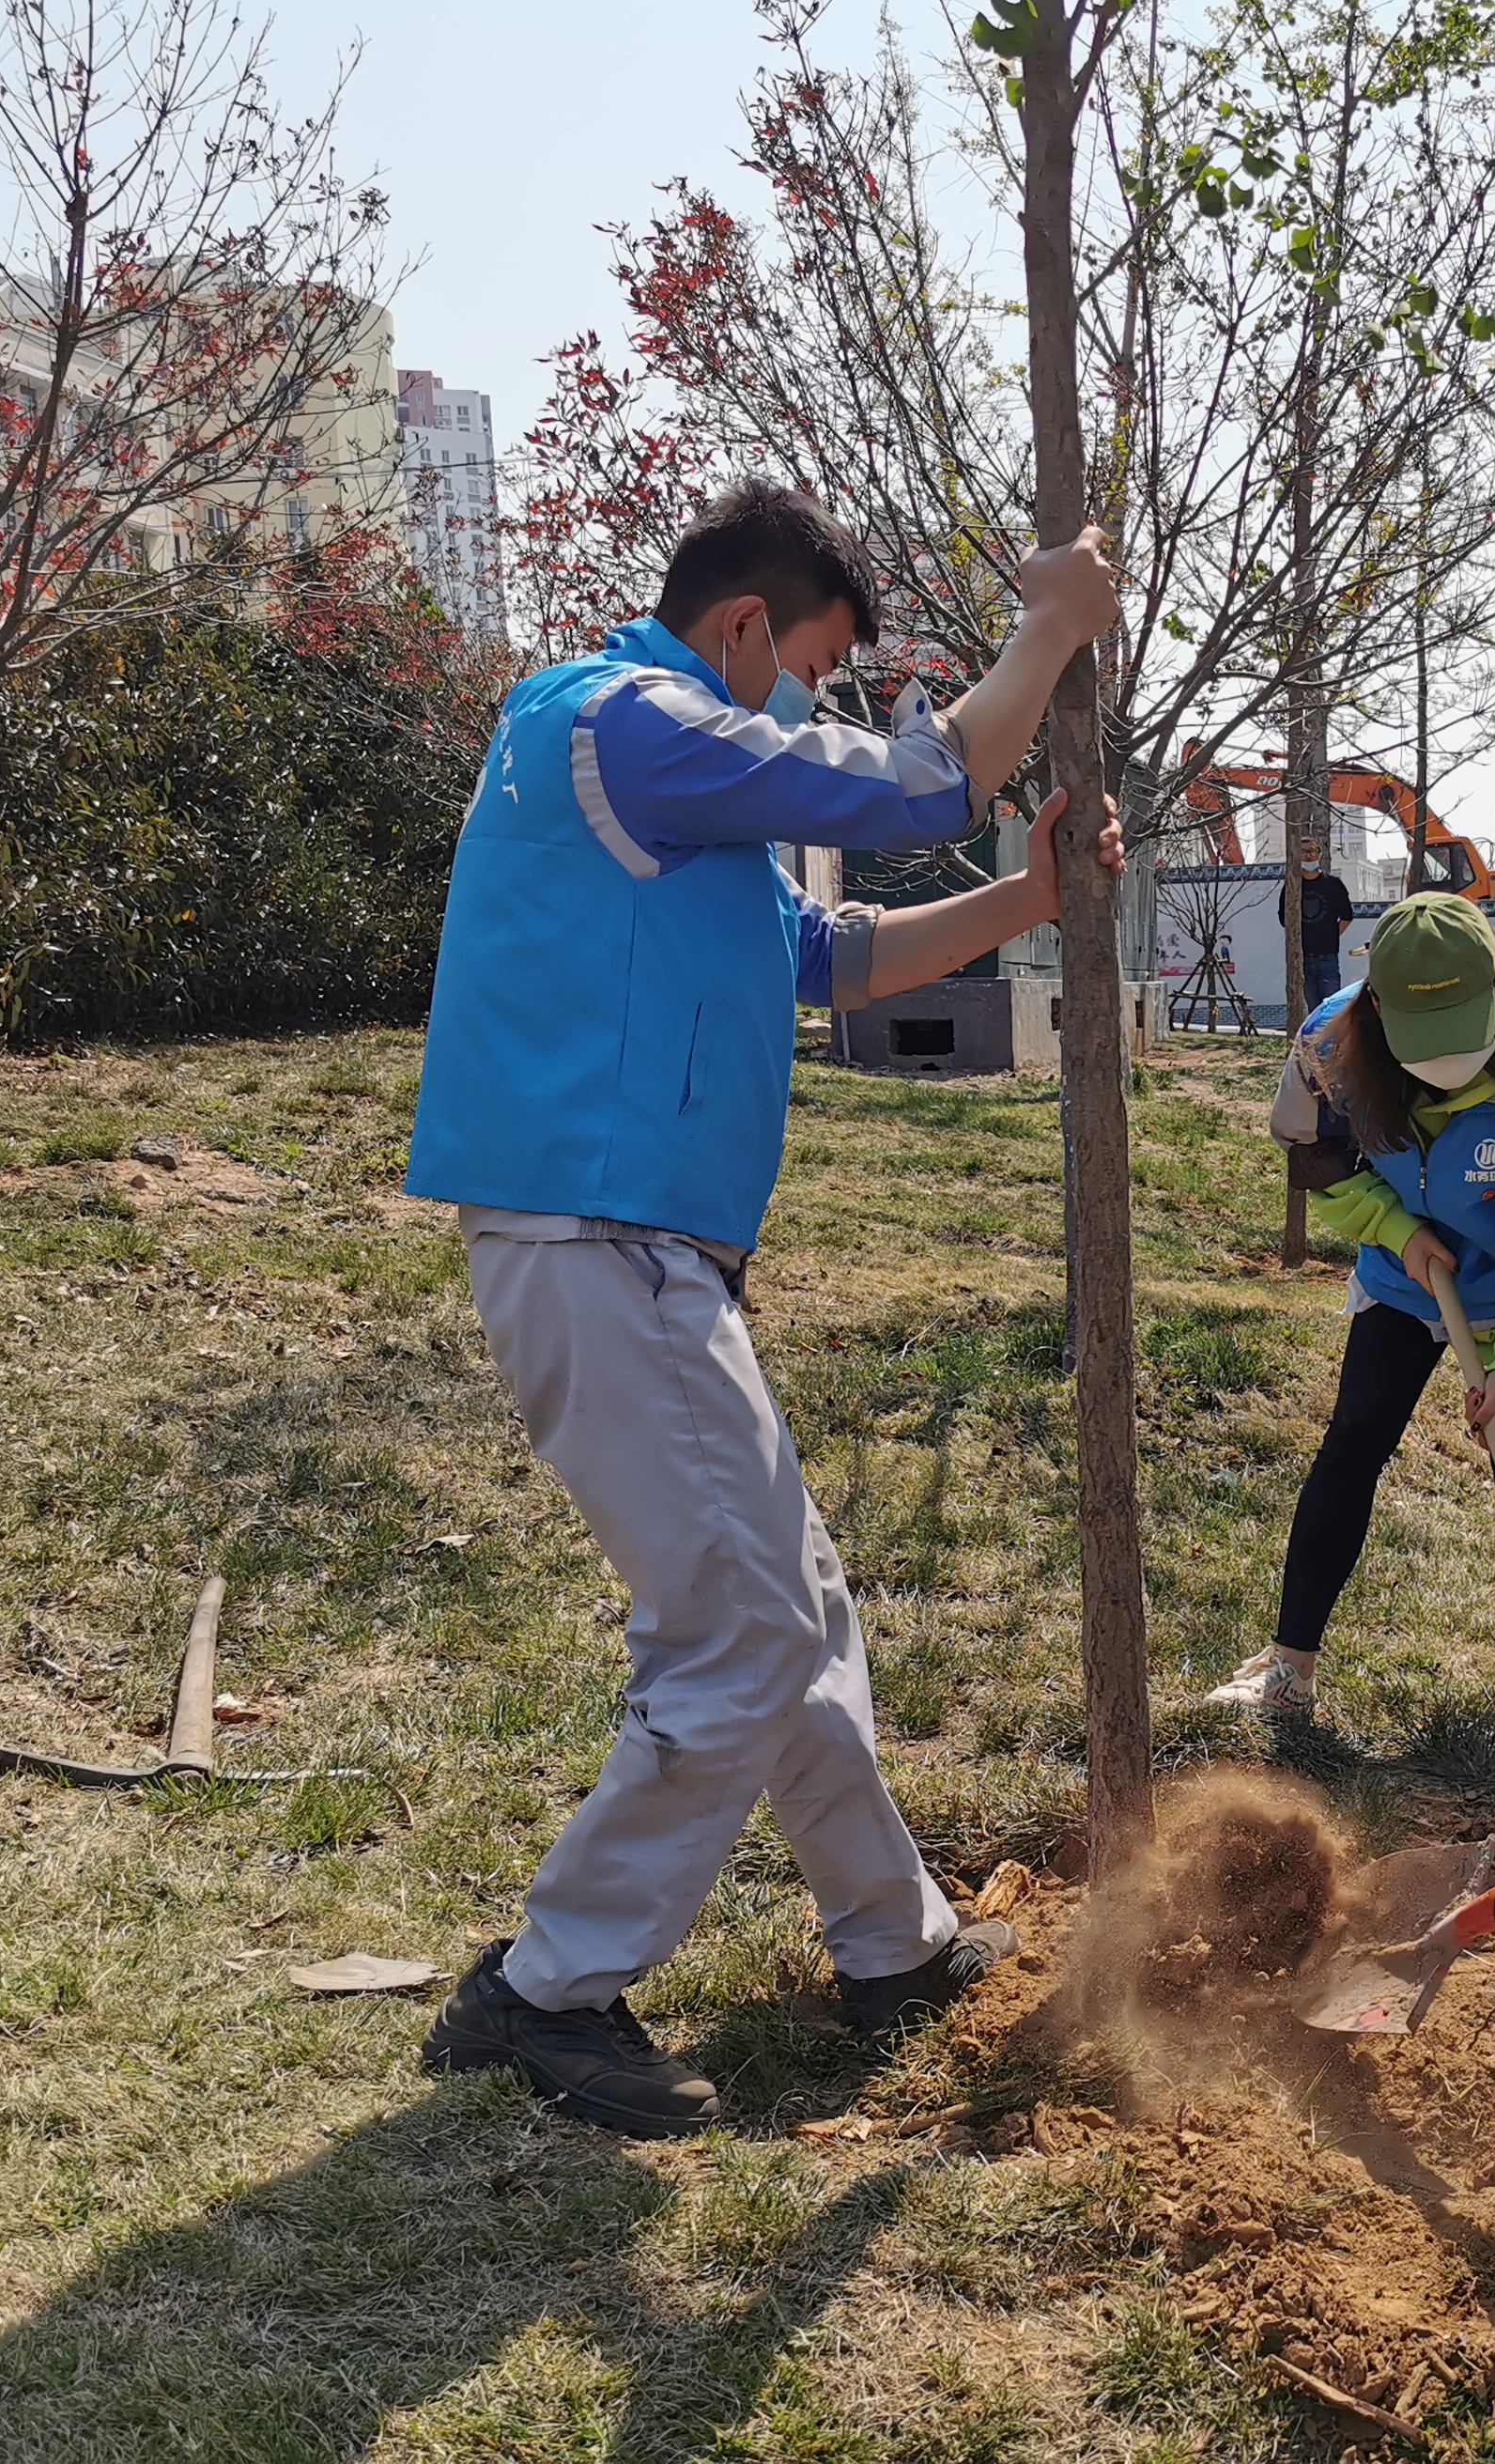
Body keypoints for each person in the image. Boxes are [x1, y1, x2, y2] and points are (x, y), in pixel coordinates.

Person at [400, 481, 1124, 2137]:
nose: (809, 709)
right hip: (601, 1244)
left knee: (792, 1603)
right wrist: (1048, 628)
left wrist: (1022, 903)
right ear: (740, 630)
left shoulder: (659, 792)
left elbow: (830, 955)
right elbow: (923, 779)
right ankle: (546, 1990)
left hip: (635, 1257)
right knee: (736, 1629)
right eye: (805, 671)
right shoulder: (630, 720)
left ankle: (894, 1944)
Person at [1208, 891, 1495, 1747]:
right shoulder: (1329, 1044)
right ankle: (1289, 1669)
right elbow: (1313, 1153)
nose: (1444, 1065)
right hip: (1406, 1279)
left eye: (1461, 1042)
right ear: (1377, 1007)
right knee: (1353, 1442)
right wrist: (1398, 1233)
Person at [1295, 835, 1357, 1024]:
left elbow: (1347, 916)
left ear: (1320, 854)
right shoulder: (1293, 886)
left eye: (1311, 851)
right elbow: (1285, 919)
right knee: (1314, 1013)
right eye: (1303, 852)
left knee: (1332, 1010)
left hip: (1328, 957)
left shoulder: (1333, 884)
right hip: (1303, 958)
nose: (1308, 856)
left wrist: (1329, 935)